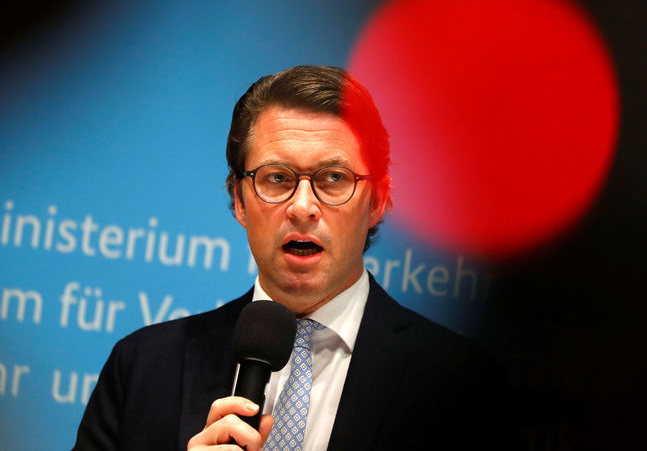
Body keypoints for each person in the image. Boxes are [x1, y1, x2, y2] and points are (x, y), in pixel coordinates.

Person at [73, 65, 501, 450]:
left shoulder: (458, 384)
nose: (302, 206)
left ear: (378, 201)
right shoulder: (144, 366)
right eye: (277, 178)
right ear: (239, 200)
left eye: (333, 179)